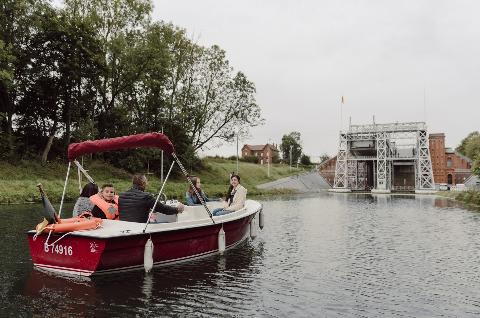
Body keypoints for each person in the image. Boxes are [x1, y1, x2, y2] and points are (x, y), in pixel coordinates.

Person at [119, 174, 185, 223]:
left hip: (125, 228)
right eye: (146, 182)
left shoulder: (121, 196)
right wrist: (177, 210)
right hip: (141, 229)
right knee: (166, 223)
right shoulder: (146, 196)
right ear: (143, 183)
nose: (147, 184)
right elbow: (163, 209)